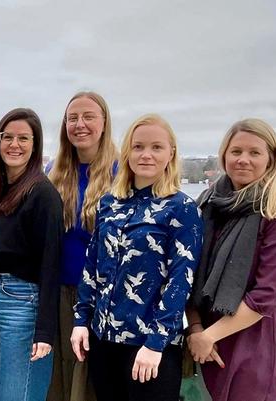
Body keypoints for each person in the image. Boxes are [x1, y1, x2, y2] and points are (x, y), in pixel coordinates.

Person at [70, 114, 203, 401]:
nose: (146, 155)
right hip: (103, 340)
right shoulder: (109, 203)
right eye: (138, 146)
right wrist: (81, 320)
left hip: (149, 347)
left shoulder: (182, 208)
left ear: (171, 153)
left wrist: (156, 343)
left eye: (156, 147)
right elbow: (92, 266)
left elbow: (181, 280)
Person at [186, 118, 276, 401]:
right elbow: (188, 273)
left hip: (252, 346)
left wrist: (208, 337)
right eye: (236, 151)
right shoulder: (208, 203)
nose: (243, 160)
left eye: (254, 153)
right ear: (224, 155)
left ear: (271, 159)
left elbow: (265, 296)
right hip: (202, 341)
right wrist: (196, 330)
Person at [0, 108, 64, 401]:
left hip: (22, 303)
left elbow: (51, 263)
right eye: (8, 137)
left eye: (23, 138)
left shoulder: (43, 194)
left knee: (15, 394)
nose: (14, 144)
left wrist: (45, 331)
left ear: (35, 145)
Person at [45, 91, 118, 401]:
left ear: (104, 123)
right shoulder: (54, 172)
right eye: (72, 118)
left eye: (89, 117)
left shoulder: (121, 173)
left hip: (102, 298)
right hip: (59, 292)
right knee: (59, 379)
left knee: (89, 382)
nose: (80, 124)